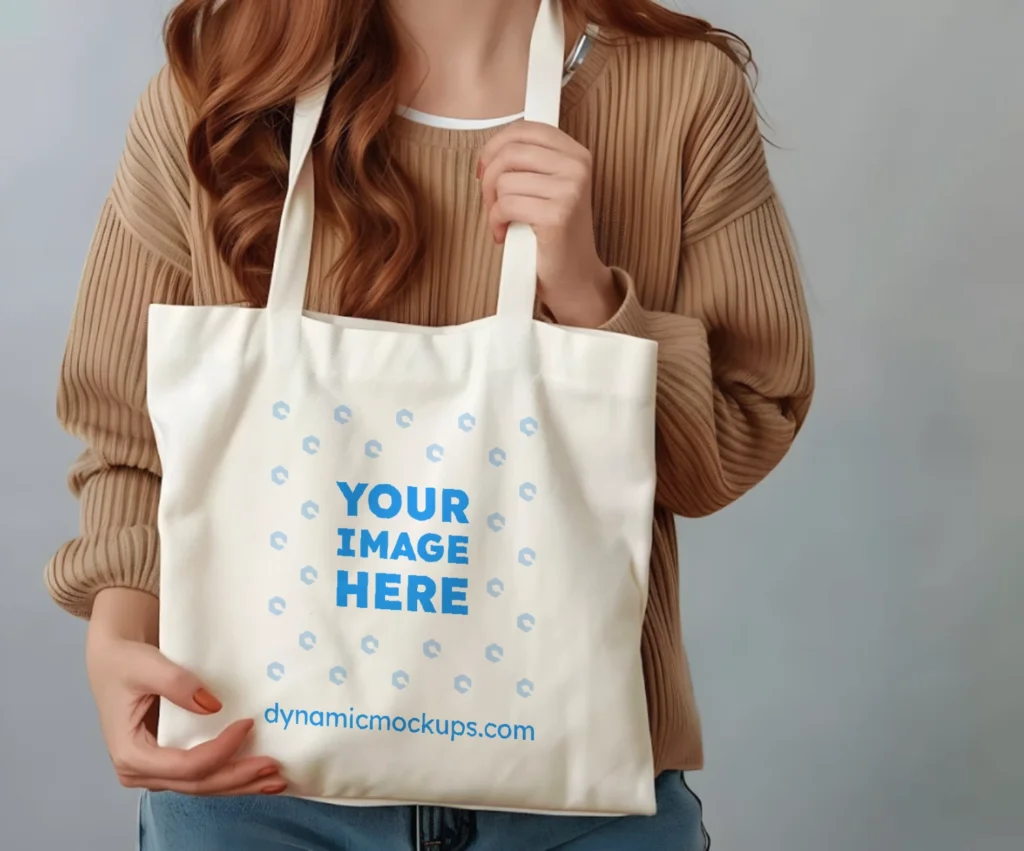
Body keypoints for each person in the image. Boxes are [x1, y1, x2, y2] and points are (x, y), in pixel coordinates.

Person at [47, 0, 813, 848]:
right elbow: (127, 438)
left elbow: (734, 439)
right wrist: (117, 634)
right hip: (252, 786)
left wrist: (591, 298)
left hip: (575, 802)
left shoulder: (681, 93)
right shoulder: (221, 93)